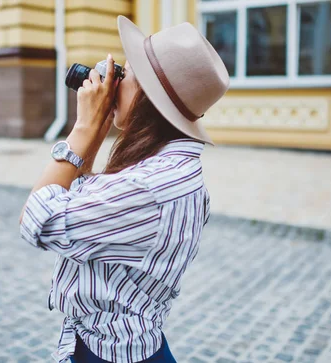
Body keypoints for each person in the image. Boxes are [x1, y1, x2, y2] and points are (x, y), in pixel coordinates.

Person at [19, 15, 229, 363]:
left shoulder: (151, 187)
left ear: (149, 98)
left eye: (124, 74)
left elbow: (37, 220)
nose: (110, 79)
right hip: (124, 346)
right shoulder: (169, 165)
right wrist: (95, 136)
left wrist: (83, 129)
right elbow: (85, 199)